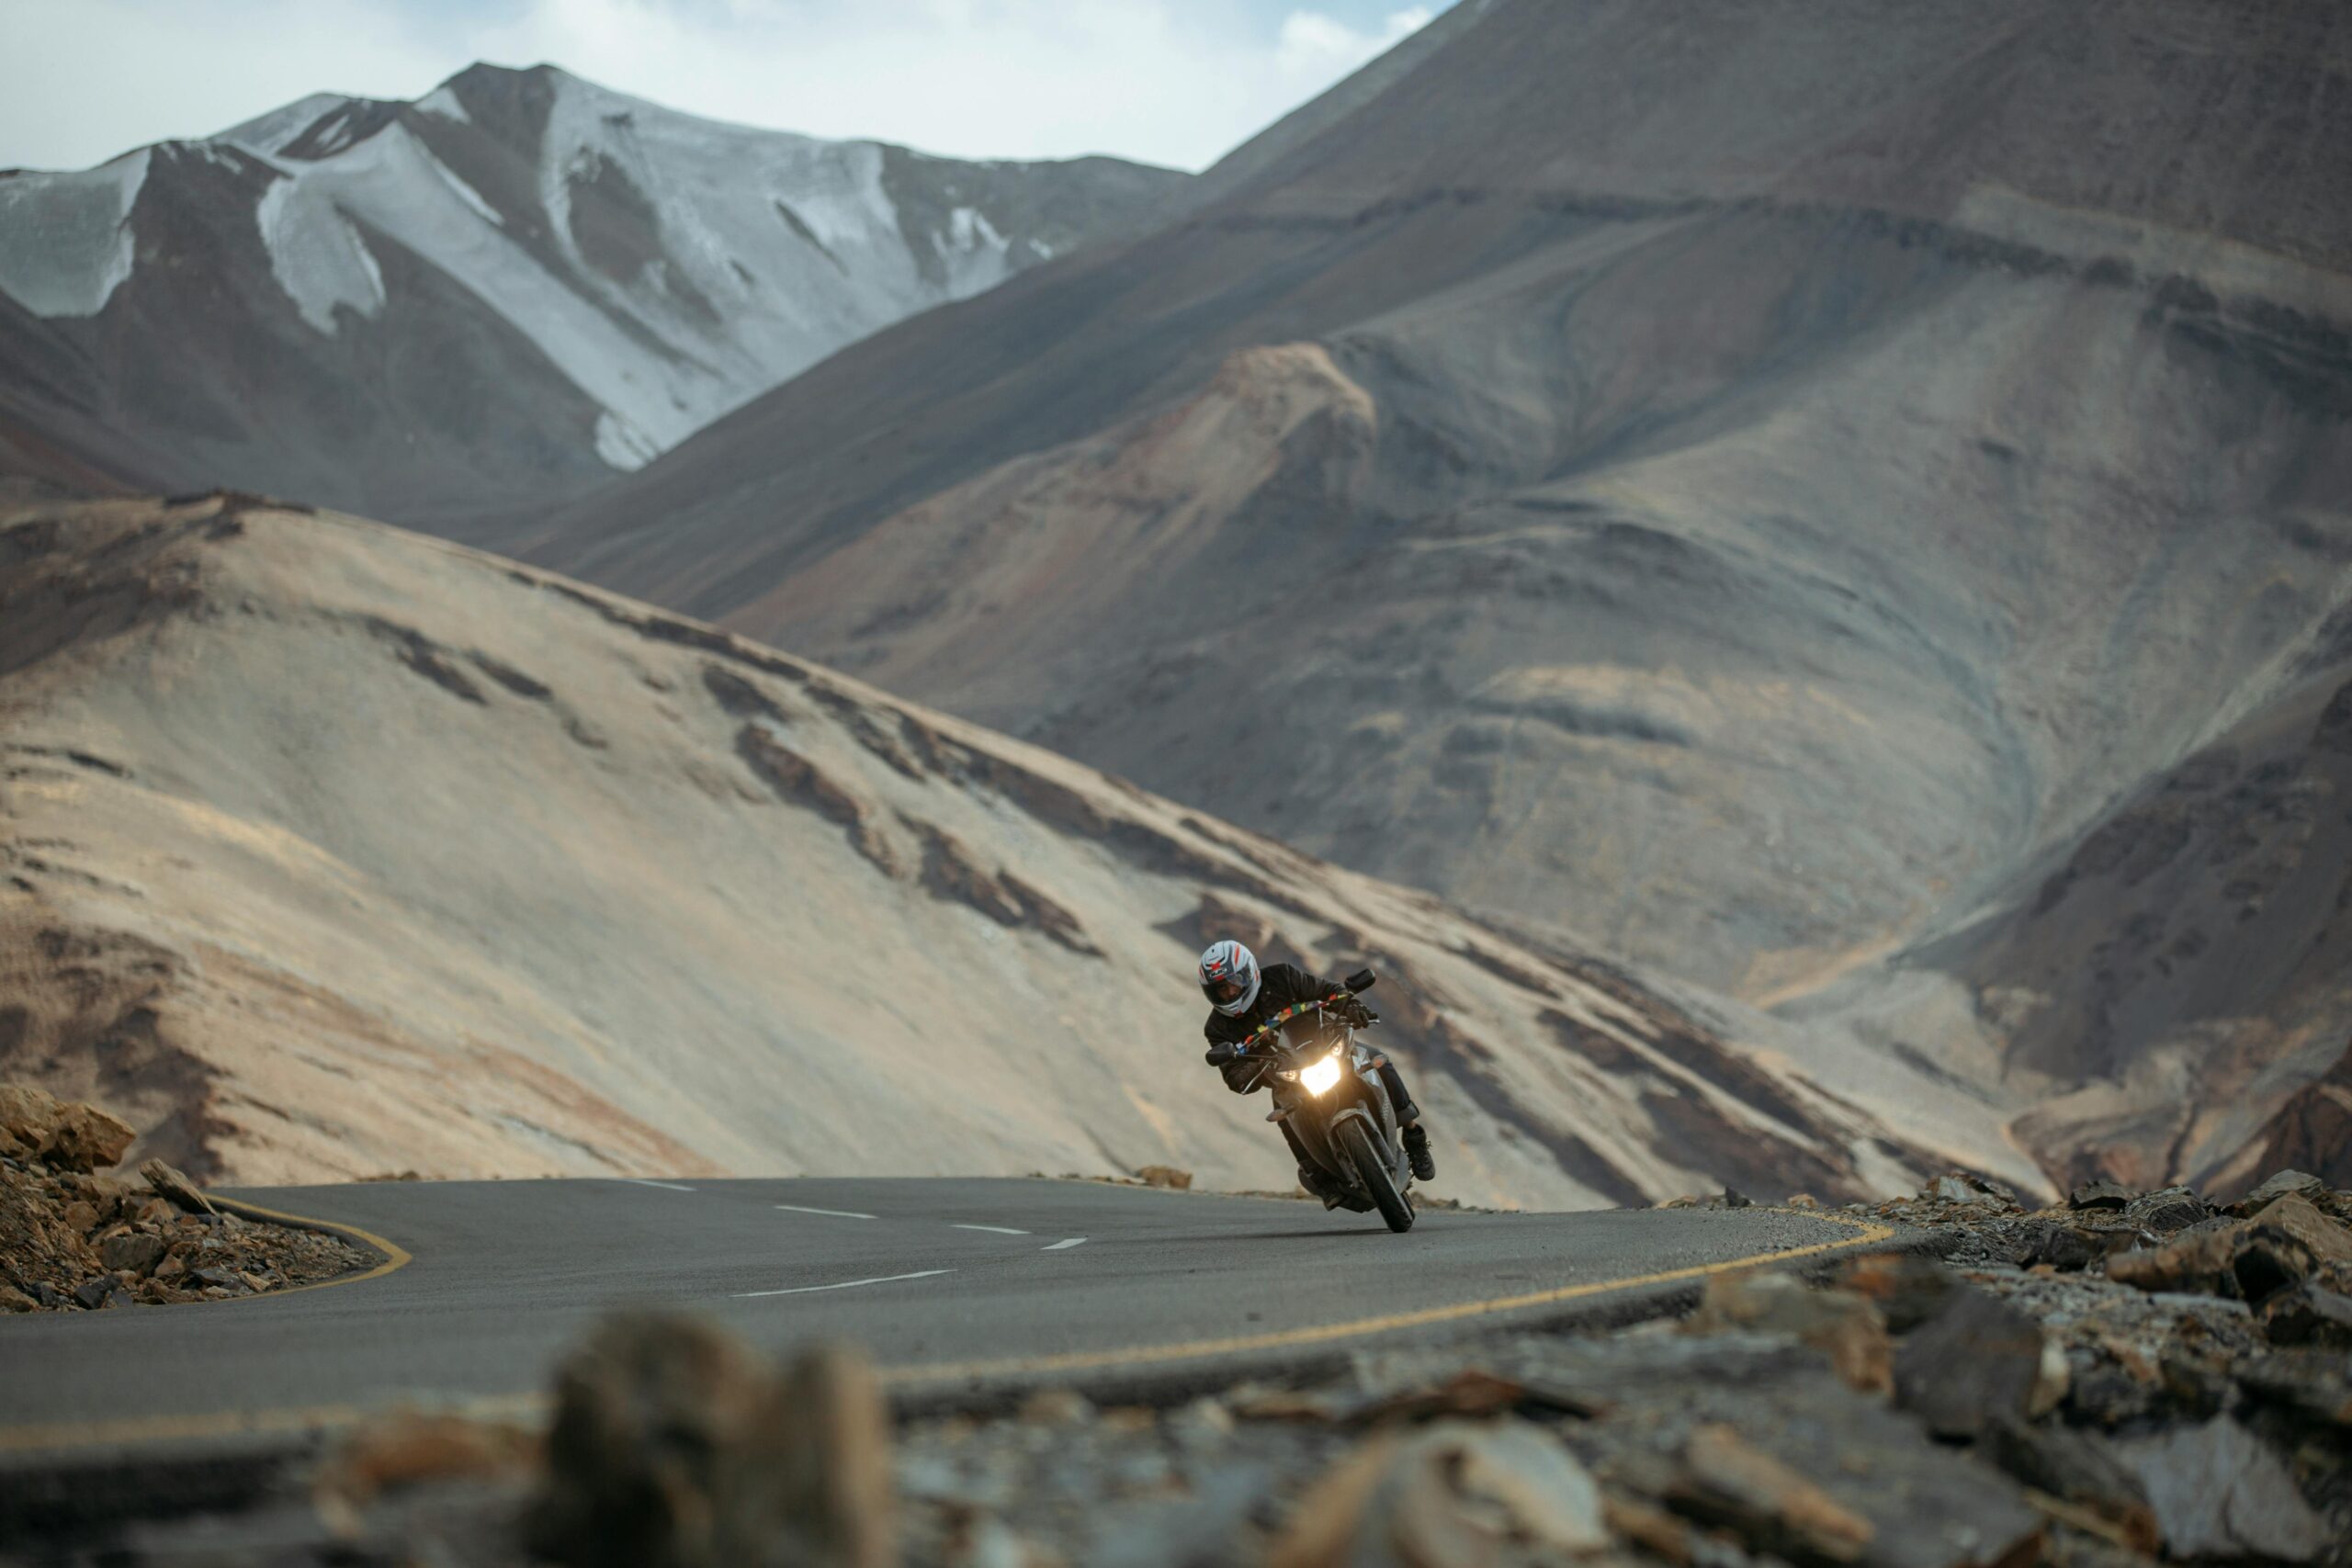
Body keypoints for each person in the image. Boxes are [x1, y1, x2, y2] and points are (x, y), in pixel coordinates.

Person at [1197, 940, 1437, 1200]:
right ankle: (1320, 1177)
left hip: (1324, 1045)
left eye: (1234, 982)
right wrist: (1255, 1068)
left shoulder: (1282, 977)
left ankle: (1414, 1136)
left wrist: (1353, 1007)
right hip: (1285, 1073)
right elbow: (1233, 1076)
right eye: (1221, 989)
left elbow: (1327, 992)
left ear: (1249, 973)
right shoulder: (1217, 1028)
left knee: (1376, 1058)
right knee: (1282, 1108)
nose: (1231, 992)